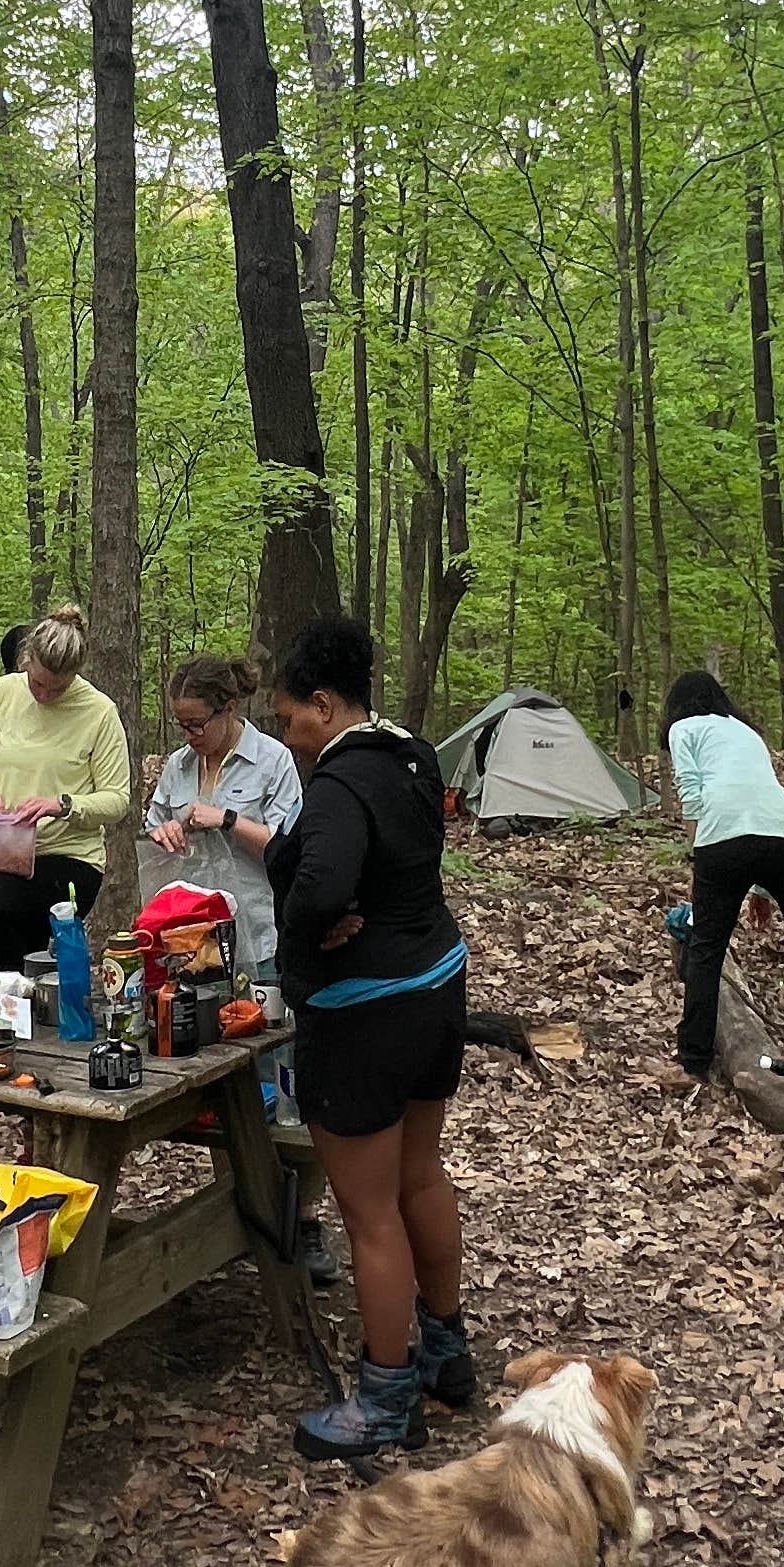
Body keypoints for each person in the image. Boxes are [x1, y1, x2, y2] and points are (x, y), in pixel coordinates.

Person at [266, 610, 473, 1460]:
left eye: (288, 718)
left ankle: (387, 1397)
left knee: (369, 1209)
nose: (288, 734)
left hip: (368, 1014)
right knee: (420, 1175)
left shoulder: (340, 783)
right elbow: (372, 856)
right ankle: (445, 1349)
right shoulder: (412, 753)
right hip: (437, 986)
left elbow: (317, 886)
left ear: (322, 704)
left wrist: (309, 935)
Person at [662, 670, 784, 1076]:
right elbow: (756, 790)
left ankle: (693, 1055)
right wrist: (761, 887)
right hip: (782, 833)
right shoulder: (747, 732)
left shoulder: (683, 728)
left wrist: (698, 852)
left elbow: (690, 791)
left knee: (708, 945)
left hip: (723, 836)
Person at [0, 602, 129, 962]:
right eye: (37, 682)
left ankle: (24, 993)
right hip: (8, 855)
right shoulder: (4, 693)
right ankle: (33, 998)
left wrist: (61, 805)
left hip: (70, 859)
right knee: (1, 929)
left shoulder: (99, 712)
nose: (43, 695)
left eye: (56, 689)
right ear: (26, 660)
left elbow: (117, 799)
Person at [143, 654, 303, 971]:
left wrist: (228, 820)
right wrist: (166, 833)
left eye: (197, 725)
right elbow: (153, 833)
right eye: (182, 725)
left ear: (228, 709)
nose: (189, 736)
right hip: (188, 938)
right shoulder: (179, 765)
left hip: (256, 935)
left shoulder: (273, 761)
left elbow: (288, 853)